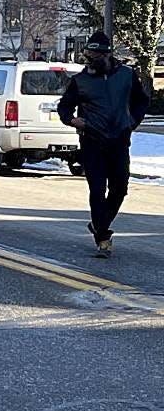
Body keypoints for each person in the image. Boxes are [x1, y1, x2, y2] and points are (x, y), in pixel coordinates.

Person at [57, 31, 149, 257]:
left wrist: (132, 122)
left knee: (120, 187)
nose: (91, 59)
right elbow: (64, 107)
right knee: (97, 189)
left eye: (96, 55)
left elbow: (141, 101)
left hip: (119, 139)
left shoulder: (127, 75)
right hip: (92, 140)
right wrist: (72, 119)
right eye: (89, 54)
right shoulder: (80, 81)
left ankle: (100, 224)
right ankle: (103, 238)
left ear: (107, 55)